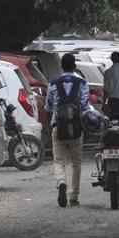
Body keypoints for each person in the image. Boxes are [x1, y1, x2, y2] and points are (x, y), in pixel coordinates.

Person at [45, 53, 90, 207]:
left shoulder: (52, 84)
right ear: (75, 66)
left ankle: (61, 182)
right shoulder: (82, 83)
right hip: (77, 128)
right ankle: (73, 196)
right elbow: (85, 105)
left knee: (59, 161)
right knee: (76, 163)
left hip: (58, 126)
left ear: (62, 67)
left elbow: (48, 106)